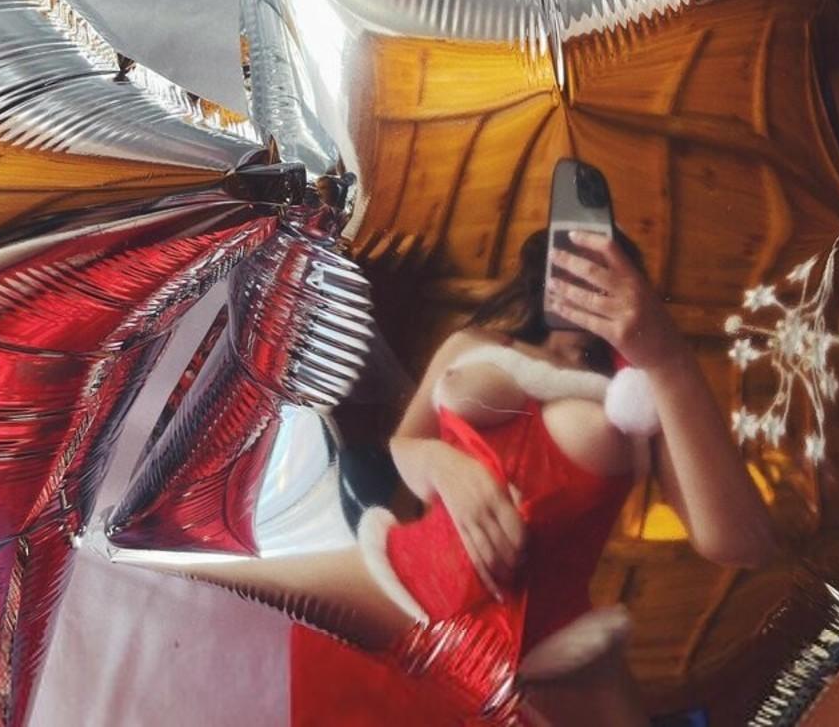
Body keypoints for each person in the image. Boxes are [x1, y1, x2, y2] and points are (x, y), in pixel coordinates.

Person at [153, 228, 776, 725]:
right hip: (396, 582)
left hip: (540, 655)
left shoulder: (643, 386)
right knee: (167, 597)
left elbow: (741, 542)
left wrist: (668, 358)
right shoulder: (475, 343)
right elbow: (407, 443)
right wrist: (443, 466)